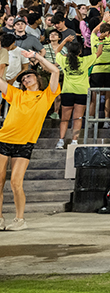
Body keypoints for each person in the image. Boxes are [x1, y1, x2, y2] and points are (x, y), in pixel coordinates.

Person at [0, 51, 60, 231]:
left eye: (29, 76)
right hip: (4, 139)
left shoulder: (46, 95)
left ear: (37, 77)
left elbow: (55, 72)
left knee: (15, 183)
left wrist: (36, 56)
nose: (26, 79)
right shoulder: (16, 94)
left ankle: (20, 220)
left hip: (25, 143)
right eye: (23, 78)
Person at [56, 36, 103, 149]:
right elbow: (99, 52)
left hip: (67, 92)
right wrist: (100, 41)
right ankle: (74, 141)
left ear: (68, 51)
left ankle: (61, 141)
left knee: (64, 119)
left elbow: (57, 51)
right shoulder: (85, 60)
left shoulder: (64, 60)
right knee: (78, 118)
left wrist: (65, 40)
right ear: (80, 51)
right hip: (81, 92)